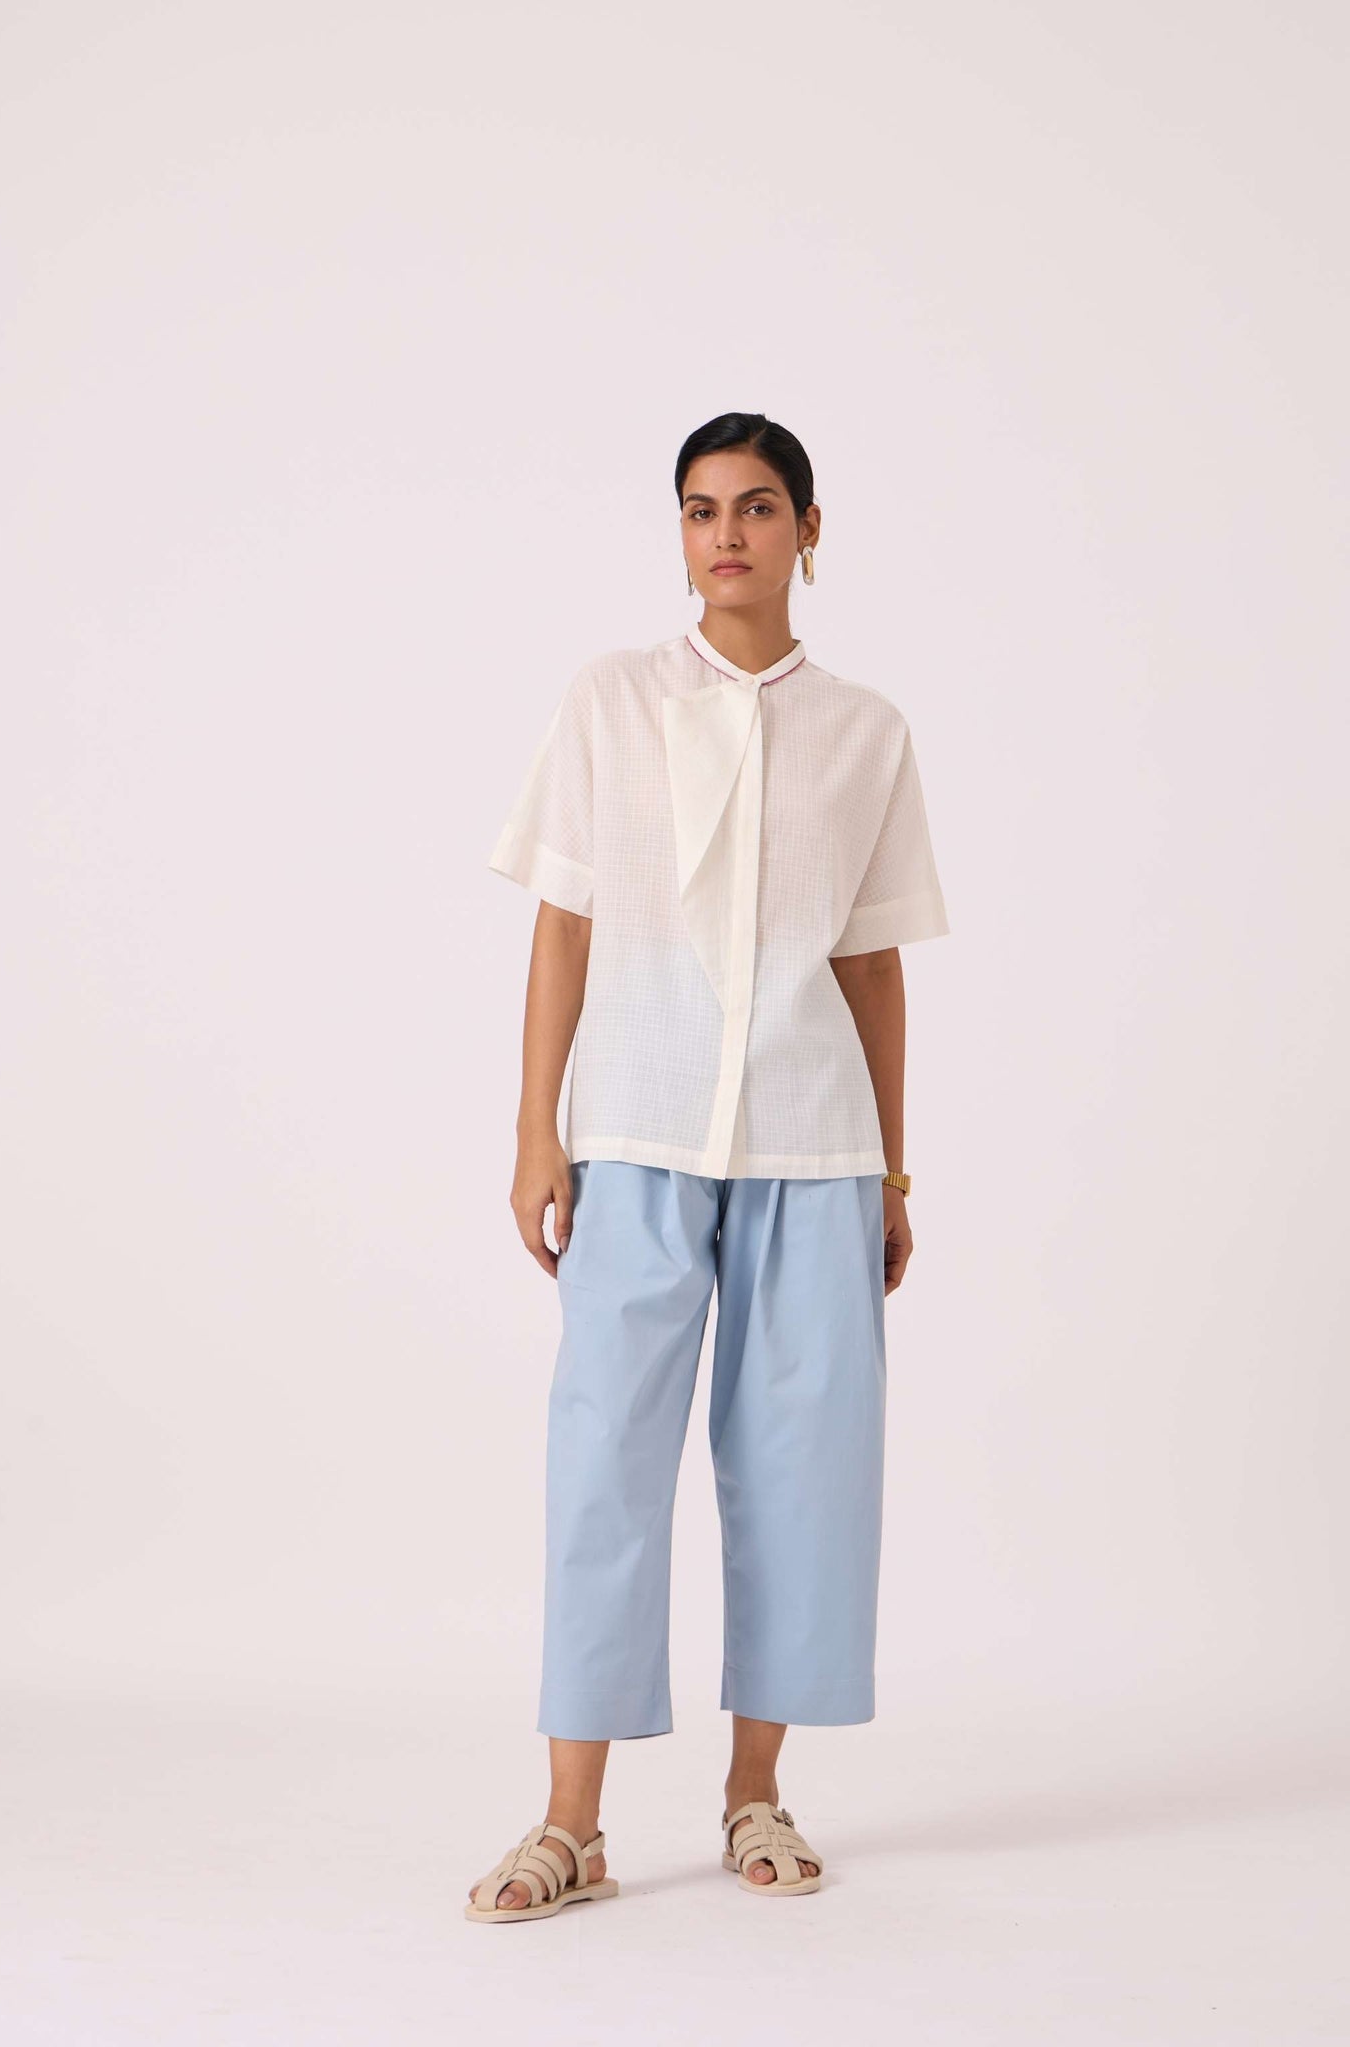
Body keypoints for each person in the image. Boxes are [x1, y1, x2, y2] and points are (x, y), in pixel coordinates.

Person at [465, 412, 951, 1923]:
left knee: (803, 1467)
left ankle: (756, 1792)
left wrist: (891, 1174)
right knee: (601, 1458)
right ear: (678, 534)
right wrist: (537, 1130)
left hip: (814, 1136)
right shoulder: (611, 700)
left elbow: (872, 965)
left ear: (809, 527)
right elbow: (565, 924)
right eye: (698, 509)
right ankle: (571, 1824)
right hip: (637, 1125)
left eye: (754, 506)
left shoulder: (866, 731)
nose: (725, 533)